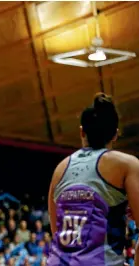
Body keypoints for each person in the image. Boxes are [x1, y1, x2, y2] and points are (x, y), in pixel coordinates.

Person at [46, 93, 139, 266]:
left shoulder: (60, 169)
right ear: (115, 134)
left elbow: (56, 234)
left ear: (82, 131)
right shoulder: (127, 165)